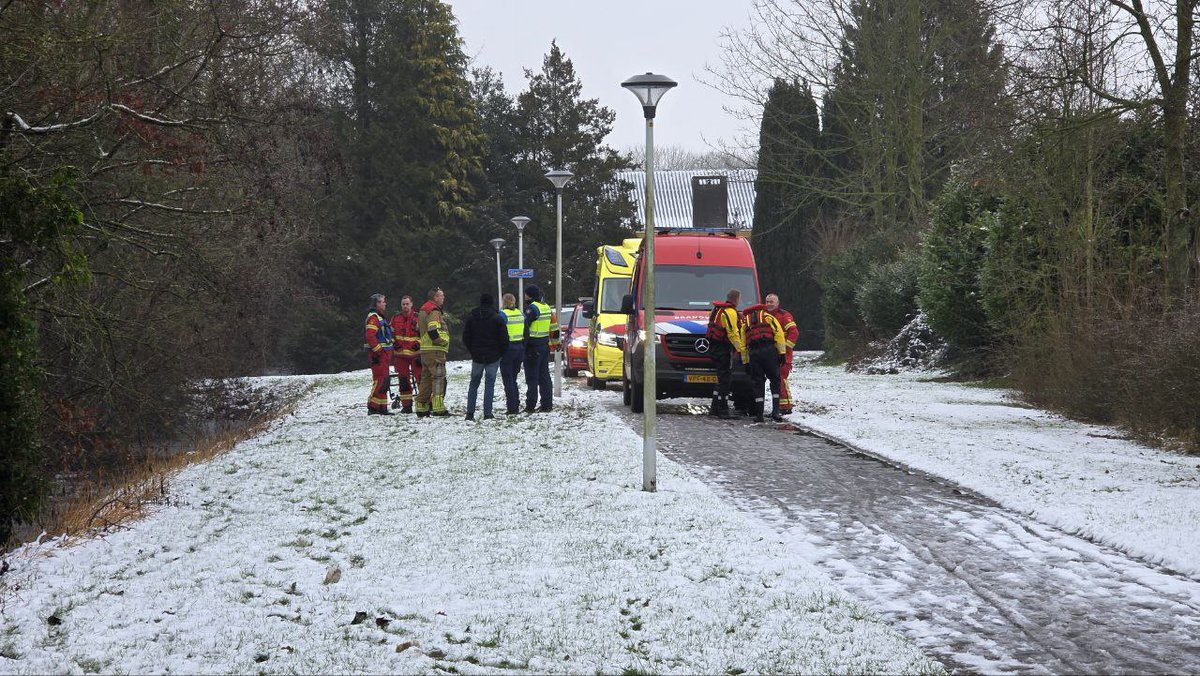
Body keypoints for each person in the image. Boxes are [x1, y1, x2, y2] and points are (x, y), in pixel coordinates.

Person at [461, 293, 509, 420]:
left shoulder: (472, 318)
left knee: (473, 384)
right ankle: (487, 413)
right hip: (493, 356)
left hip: (477, 355)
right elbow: (504, 339)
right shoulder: (497, 318)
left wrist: (472, 350)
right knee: (490, 384)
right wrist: (500, 353)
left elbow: (466, 337)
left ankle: (470, 413)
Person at [742, 299, 787, 423]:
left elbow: (743, 344)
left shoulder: (745, 322)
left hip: (754, 353)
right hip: (769, 351)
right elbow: (779, 335)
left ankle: (759, 415)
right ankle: (776, 412)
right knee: (775, 380)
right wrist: (782, 353)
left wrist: (745, 361)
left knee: (758, 382)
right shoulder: (768, 317)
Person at [706, 289, 748, 419]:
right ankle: (723, 410)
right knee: (725, 380)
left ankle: (714, 408)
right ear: (737, 299)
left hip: (714, 347)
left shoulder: (717, 310)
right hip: (723, 349)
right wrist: (740, 349)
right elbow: (732, 333)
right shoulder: (730, 312)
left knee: (720, 378)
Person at [415, 287, 450, 417]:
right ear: (435, 297)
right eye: (441, 295)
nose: (443, 298)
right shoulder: (434, 311)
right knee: (438, 378)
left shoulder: (423, 309)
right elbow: (433, 330)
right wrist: (441, 341)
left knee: (425, 379)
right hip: (435, 351)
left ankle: (421, 405)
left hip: (424, 350)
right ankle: (438, 407)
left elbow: (419, 329)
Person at [764, 293, 799, 415]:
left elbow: (794, 333)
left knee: (780, 378)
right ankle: (781, 405)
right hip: (771, 353)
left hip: (783, 354)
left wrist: (786, 349)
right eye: (767, 301)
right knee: (776, 379)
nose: (769, 304)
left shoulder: (784, 316)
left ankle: (786, 406)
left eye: (771, 302)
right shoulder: (764, 315)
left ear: (777, 303)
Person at [522, 284, 554, 413]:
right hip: (544, 344)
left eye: (525, 294)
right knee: (544, 376)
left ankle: (530, 405)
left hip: (533, 346)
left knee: (532, 378)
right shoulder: (546, 307)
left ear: (529, 295)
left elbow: (524, 326)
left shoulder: (532, 309)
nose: (524, 296)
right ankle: (547, 404)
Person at [389, 295, 422, 413]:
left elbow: (424, 334)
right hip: (400, 356)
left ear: (411, 304)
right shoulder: (395, 318)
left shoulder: (418, 317)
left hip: (415, 355)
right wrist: (394, 343)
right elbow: (390, 334)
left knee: (421, 379)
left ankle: (426, 403)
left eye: (407, 304)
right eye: (403, 304)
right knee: (403, 381)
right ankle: (406, 406)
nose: (405, 306)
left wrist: (418, 343)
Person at [364, 293, 395, 416]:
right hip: (379, 356)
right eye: (382, 301)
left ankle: (382, 407)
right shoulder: (374, 318)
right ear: (377, 304)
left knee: (385, 381)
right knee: (379, 381)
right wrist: (379, 351)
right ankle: (372, 406)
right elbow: (370, 336)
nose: (385, 303)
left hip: (384, 355)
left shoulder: (380, 317)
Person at [499, 293, 525, 415]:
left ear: (504, 302)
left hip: (508, 349)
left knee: (508, 379)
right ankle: (516, 402)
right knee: (513, 378)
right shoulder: (520, 313)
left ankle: (512, 407)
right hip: (519, 348)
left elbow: (498, 331)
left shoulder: (503, 315)